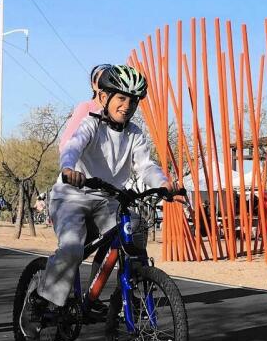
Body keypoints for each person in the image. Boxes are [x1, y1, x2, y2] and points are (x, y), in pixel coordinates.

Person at [30, 65, 170, 319]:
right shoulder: (91, 123)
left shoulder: (134, 134)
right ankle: (43, 300)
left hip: (107, 199)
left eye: (133, 101)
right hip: (72, 195)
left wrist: (164, 182)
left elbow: (146, 165)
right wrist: (69, 167)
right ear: (104, 98)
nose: (127, 106)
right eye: (121, 98)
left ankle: (133, 287)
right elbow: (73, 146)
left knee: (135, 228)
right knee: (72, 247)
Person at [58, 63, 114, 154]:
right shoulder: (85, 108)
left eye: (111, 80)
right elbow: (66, 144)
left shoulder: (116, 113)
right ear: (94, 85)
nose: (107, 84)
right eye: (103, 80)